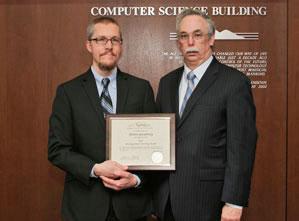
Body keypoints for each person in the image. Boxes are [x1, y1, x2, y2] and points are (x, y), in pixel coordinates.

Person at [153, 9, 257, 221]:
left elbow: (241, 147)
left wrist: (234, 201)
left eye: (198, 34)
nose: (190, 41)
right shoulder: (167, 82)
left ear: (211, 39)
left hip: (209, 201)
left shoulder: (234, 83)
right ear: (178, 42)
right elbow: (159, 138)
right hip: (167, 200)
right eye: (184, 36)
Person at [48, 17, 155, 221]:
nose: (109, 46)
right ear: (89, 45)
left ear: (121, 45)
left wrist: (135, 179)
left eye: (115, 40)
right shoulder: (68, 92)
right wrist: (95, 169)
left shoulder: (141, 89)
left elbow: (154, 150)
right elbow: (57, 150)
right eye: (101, 39)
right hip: (84, 208)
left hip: (132, 208)